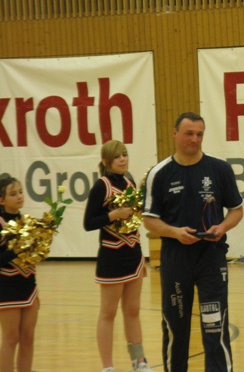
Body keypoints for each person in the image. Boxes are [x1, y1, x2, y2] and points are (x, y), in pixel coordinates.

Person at [142, 112, 244, 372]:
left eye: (199, 134)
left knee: (215, 325)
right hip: (176, 259)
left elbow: (236, 210)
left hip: (211, 258)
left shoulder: (219, 169)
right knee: (175, 326)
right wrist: (175, 232)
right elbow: (149, 220)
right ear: (175, 134)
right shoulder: (159, 173)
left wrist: (222, 227)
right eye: (189, 133)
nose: (195, 139)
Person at [83, 140, 153, 372]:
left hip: (133, 253)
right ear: (106, 161)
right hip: (112, 256)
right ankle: (108, 366)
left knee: (133, 311)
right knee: (108, 312)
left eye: (124, 154)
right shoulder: (101, 186)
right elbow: (88, 223)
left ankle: (139, 361)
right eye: (117, 156)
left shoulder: (129, 181)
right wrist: (114, 215)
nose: (123, 159)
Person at [0, 174, 38, 372]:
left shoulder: (27, 221)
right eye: (13, 194)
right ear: (2, 200)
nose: (19, 196)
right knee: (11, 338)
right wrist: (14, 251)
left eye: (21, 192)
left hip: (29, 285)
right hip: (7, 287)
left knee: (28, 337)